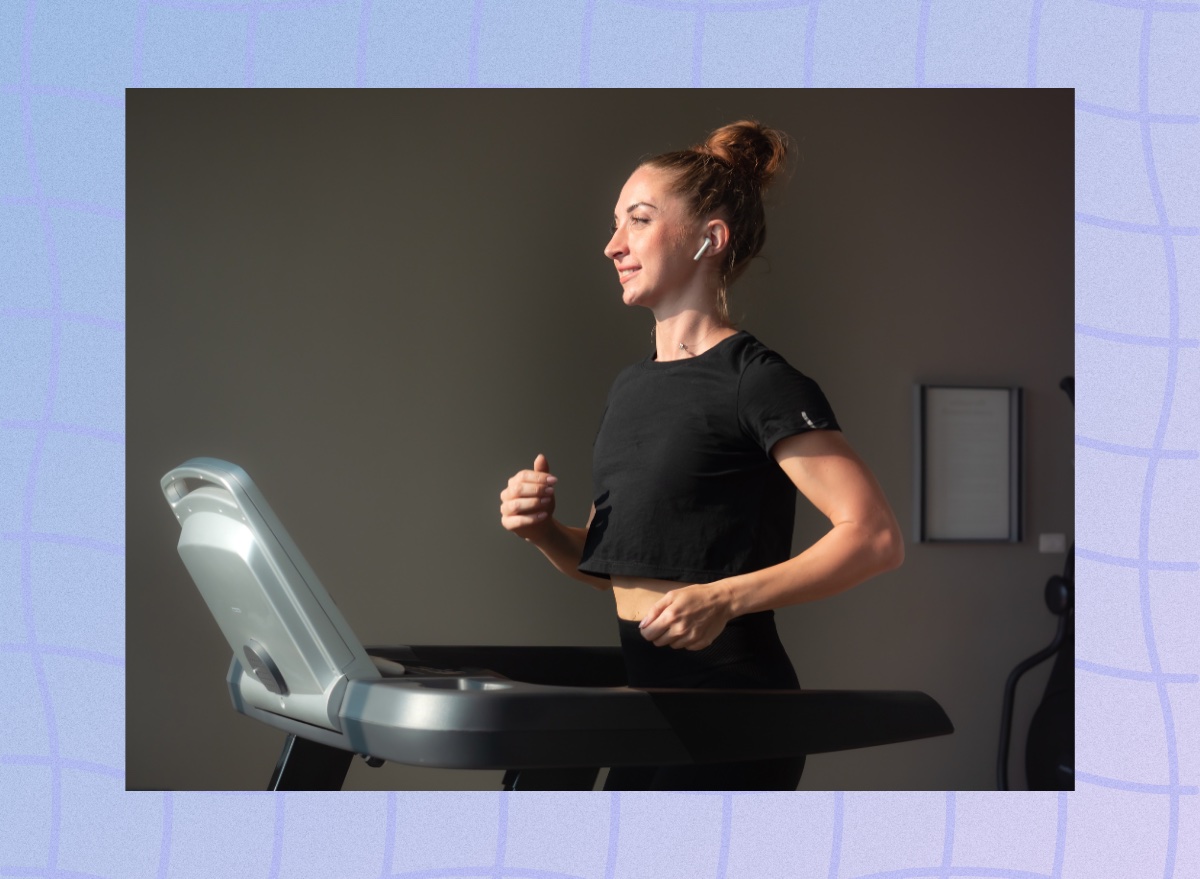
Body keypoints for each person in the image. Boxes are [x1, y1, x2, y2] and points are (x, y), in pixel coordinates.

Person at [498, 120, 904, 790]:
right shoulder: (632, 387)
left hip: (737, 714)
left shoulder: (759, 380)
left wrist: (723, 597)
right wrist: (544, 532)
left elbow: (875, 536)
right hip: (650, 708)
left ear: (709, 239)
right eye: (614, 224)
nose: (612, 245)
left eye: (638, 219)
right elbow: (623, 571)